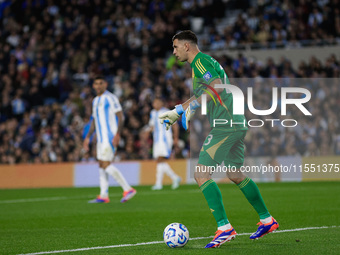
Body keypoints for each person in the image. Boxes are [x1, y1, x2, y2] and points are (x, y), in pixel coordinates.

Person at [159, 30, 278, 248]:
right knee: (234, 173)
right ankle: (267, 220)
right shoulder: (205, 62)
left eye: (175, 47)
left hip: (226, 124)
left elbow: (215, 87)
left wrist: (186, 108)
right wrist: (183, 110)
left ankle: (224, 227)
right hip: (234, 121)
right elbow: (206, 92)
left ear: (187, 46)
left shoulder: (200, 63)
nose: (173, 52)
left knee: (201, 174)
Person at [83, 76, 136, 203]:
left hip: (109, 137)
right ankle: (103, 195)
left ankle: (127, 189)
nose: (98, 85)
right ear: (93, 86)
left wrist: (117, 134)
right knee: (101, 164)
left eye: (101, 83)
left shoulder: (111, 98)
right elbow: (94, 121)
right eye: (96, 83)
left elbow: (120, 116)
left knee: (106, 164)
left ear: (105, 84)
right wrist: (87, 137)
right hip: (101, 139)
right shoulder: (95, 100)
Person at [146, 97, 181, 190]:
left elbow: (175, 125)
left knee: (160, 159)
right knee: (159, 160)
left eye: (157, 102)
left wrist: (176, 138)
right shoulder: (152, 113)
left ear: (162, 103)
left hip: (165, 139)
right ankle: (173, 178)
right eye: (154, 103)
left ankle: (161, 183)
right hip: (156, 140)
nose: (155, 104)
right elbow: (152, 126)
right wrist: (147, 132)